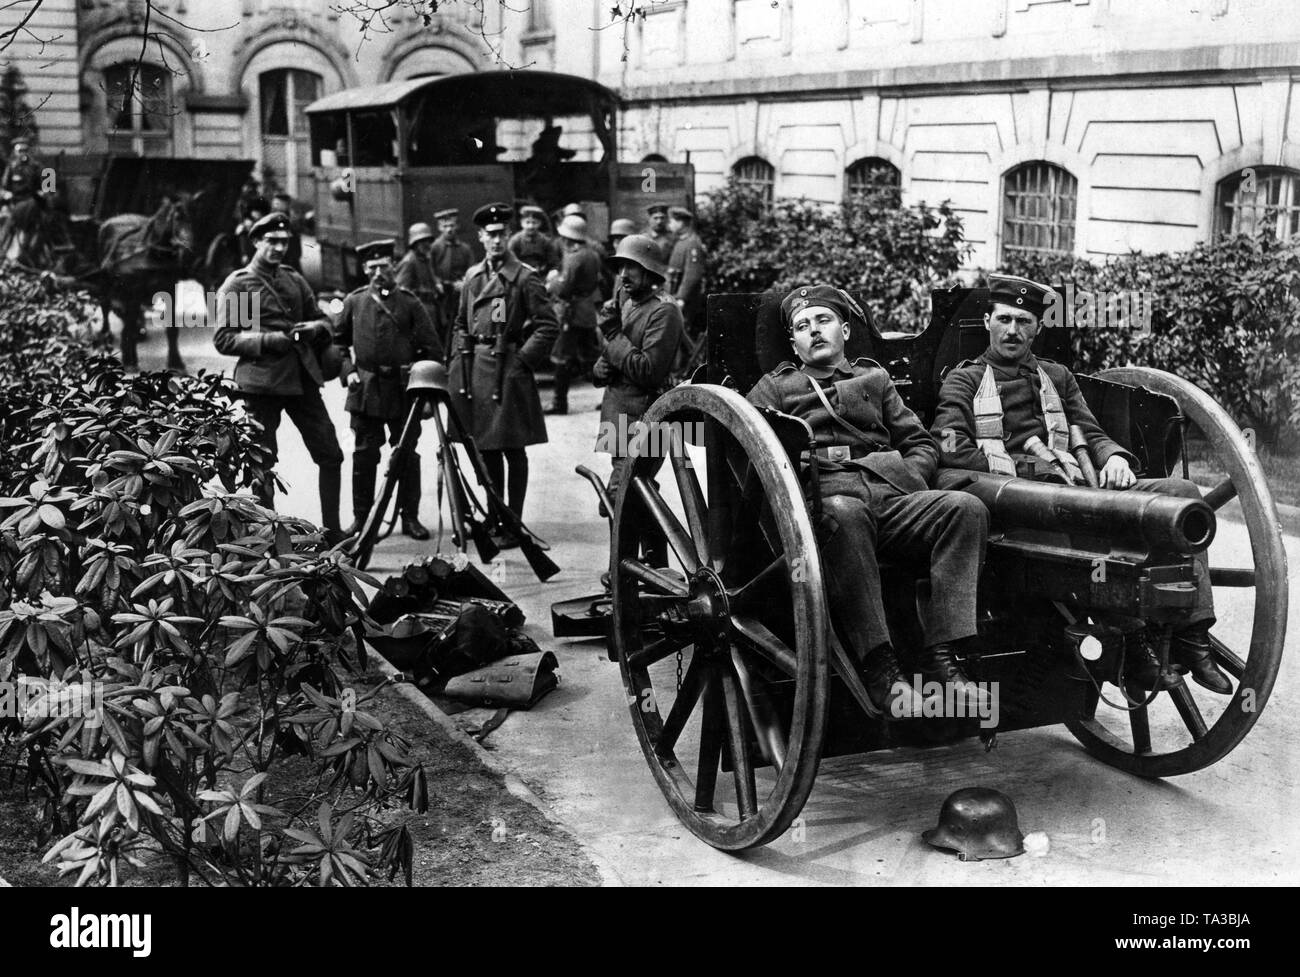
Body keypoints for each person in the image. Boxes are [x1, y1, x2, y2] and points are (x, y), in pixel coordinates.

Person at [931, 273, 1230, 694]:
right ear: (987, 322)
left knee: (1181, 496)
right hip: (1015, 499)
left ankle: (1194, 637)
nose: (1012, 330)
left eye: (1023, 321)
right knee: (1091, 517)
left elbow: (1091, 431)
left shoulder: (1058, 376)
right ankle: (1134, 641)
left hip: (1077, 485)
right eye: (1004, 320)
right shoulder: (963, 380)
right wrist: (1024, 466)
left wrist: (1115, 459)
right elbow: (948, 443)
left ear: (1037, 328)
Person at [746, 285, 990, 714]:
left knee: (965, 509)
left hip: (891, 500)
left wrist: (909, 474)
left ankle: (944, 660)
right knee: (846, 512)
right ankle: (883, 671)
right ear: (793, 342)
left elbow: (921, 442)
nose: (814, 331)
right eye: (802, 327)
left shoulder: (874, 379)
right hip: (822, 511)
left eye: (823, 321)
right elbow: (748, 447)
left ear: (844, 329)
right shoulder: (775, 388)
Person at [213, 212, 345, 538]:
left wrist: (315, 327)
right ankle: (266, 534)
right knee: (262, 462)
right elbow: (225, 338)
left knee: (331, 454)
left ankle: (332, 529)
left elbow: (322, 320)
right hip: (261, 384)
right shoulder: (240, 284)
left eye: (284, 242)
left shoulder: (293, 279)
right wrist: (269, 340)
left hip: (301, 380)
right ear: (257, 241)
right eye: (271, 241)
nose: (278, 248)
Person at [448, 202, 559, 546]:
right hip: (475, 369)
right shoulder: (472, 276)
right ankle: (495, 516)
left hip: (507, 368)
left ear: (509, 235)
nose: (496, 241)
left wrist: (522, 361)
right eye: (490, 235)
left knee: (513, 449)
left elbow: (547, 325)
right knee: (486, 450)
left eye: (501, 234)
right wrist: (457, 365)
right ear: (480, 237)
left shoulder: (525, 277)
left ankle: (514, 522)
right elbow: (459, 323)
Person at [334, 239, 444, 540]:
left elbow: (432, 348)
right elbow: (337, 342)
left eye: (384, 266)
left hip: (402, 390)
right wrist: (349, 370)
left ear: (393, 267)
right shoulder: (354, 302)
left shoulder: (409, 303)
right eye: (372, 267)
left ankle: (410, 517)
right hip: (366, 390)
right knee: (364, 455)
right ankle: (362, 520)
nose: (378, 272)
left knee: (406, 453)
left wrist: (420, 384)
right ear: (364, 270)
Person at [593, 235, 683, 512]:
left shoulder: (664, 311)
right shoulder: (625, 299)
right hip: (617, 412)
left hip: (644, 416)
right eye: (620, 267)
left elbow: (648, 372)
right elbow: (614, 348)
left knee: (622, 497)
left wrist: (611, 335)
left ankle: (641, 556)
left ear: (649, 270)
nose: (622, 275)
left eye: (630, 267)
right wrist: (600, 368)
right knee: (628, 498)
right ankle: (646, 556)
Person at [546, 214, 603, 415]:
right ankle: (608, 397)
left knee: (561, 356)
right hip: (587, 310)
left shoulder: (573, 257)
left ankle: (559, 403)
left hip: (571, 312)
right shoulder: (592, 253)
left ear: (567, 237)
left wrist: (551, 281)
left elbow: (563, 288)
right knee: (592, 356)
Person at [666, 206, 707, 367]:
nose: (669, 225)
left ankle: (683, 370)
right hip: (676, 295)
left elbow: (692, 275)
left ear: (680, 222)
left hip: (686, 300)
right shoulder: (683, 242)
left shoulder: (692, 243)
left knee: (682, 333)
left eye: (671, 221)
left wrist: (682, 298)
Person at [431, 208, 474, 350]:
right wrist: (437, 283)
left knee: (458, 324)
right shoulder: (435, 248)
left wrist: (464, 283)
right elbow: (429, 270)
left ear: (457, 226)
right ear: (439, 228)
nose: (449, 229)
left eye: (452, 225)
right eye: (445, 226)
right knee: (441, 325)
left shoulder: (465, 249)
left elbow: (472, 270)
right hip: (441, 295)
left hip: (459, 292)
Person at [394, 221, 442, 330]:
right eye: (422, 241)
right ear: (414, 243)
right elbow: (401, 291)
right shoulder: (409, 261)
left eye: (428, 241)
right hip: (418, 309)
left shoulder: (425, 259)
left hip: (430, 307)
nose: (426, 245)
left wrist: (437, 284)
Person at [509, 204, 561, 275]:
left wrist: (552, 272)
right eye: (527, 222)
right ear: (521, 223)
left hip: (541, 275)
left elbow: (554, 262)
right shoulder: (515, 241)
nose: (531, 226)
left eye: (534, 223)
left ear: (540, 223)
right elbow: (510, 260)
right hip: (520, 275)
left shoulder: (545, 241)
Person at [600, 218, 638, 300]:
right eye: (616, 241)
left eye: (623, 240)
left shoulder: (637, 265)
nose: (619, 245)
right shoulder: (619, 264)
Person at [270, 191, 303, 271]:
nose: (274, 206)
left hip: (289, 257)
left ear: (286, 205)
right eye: (274, 203)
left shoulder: (291, 219)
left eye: (278, 204)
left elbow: (295, 241)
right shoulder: (272, 217)